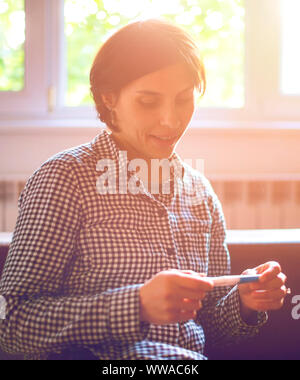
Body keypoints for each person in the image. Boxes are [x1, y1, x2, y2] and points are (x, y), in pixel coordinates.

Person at [0, 19, 288, 360]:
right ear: (110, 100)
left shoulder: (200, 194)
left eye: (183, 99)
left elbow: (208, 332)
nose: (170, 120)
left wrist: (244, 303)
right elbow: (10, 325)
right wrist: (134, 306)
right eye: (148, 102)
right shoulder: (64, 179)